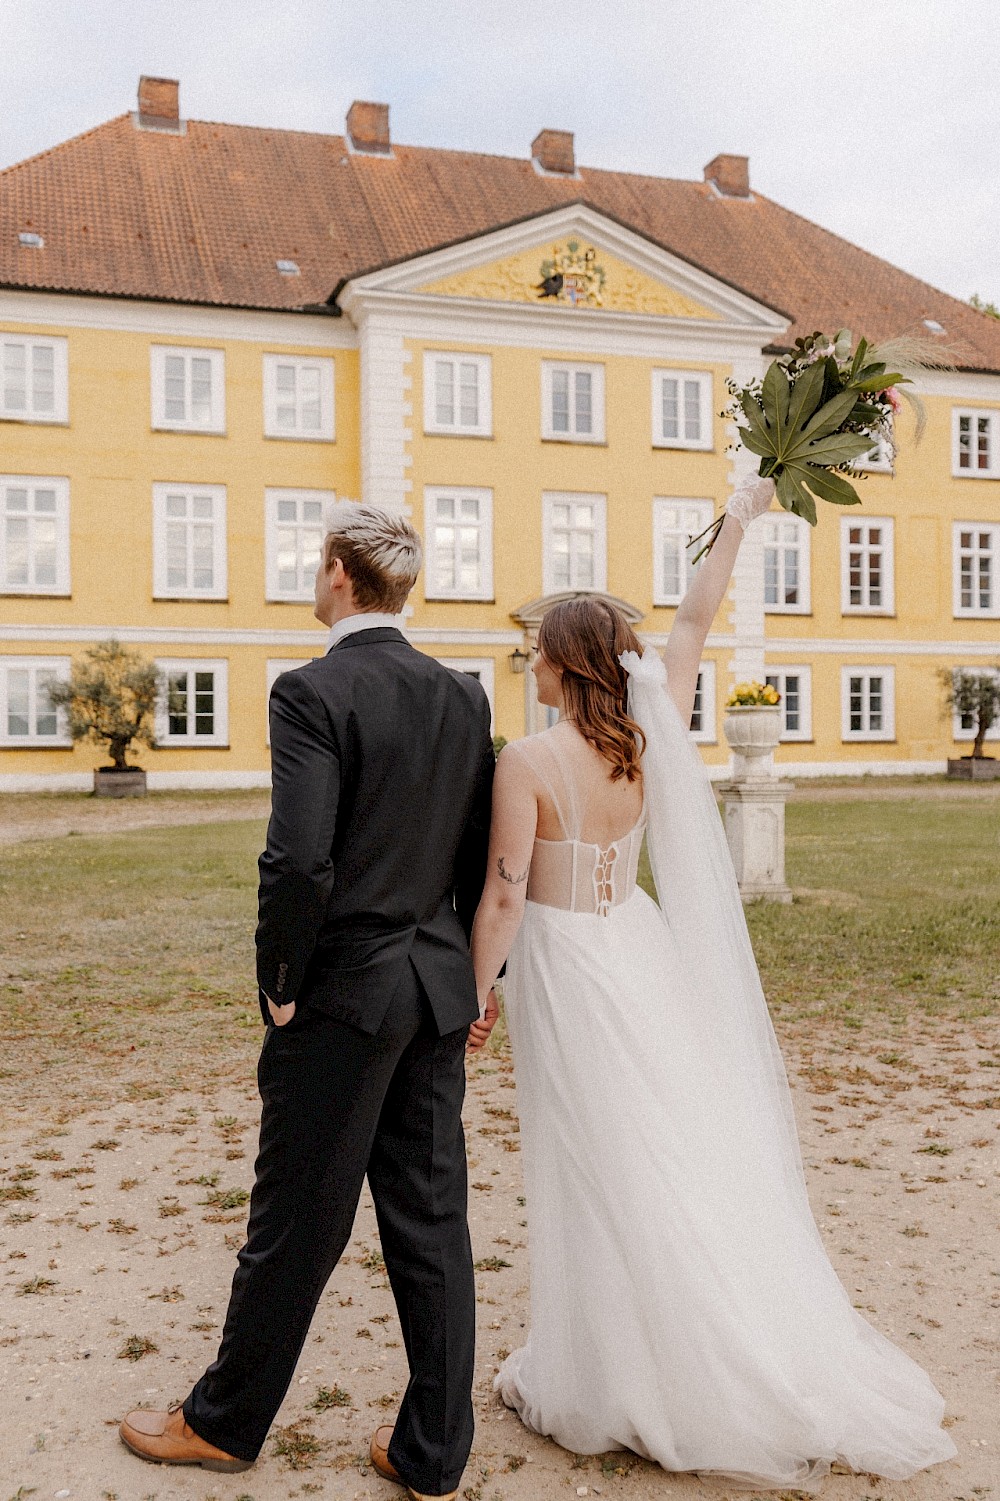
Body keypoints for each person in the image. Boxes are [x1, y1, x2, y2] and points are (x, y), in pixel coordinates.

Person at [467, 475, 958, 1488]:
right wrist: (739, 518)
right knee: (660, 1145)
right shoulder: (652, 727)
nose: (532, 662)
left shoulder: (527, 760)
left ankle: (621, 1374)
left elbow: (506, 896)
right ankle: (660, 1342)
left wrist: (476, 993)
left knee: (594, 1161)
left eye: (540, 651)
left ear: (563, 663)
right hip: (635, 948)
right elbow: (693, 619)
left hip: (570, 969)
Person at [120, 502, 496, 1501]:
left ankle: (220, 1424)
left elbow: (298, 860)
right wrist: (468, 975)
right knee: (431, 1220)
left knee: (295, 1218)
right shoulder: (463, 696)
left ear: (336, 571)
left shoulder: (311, 690)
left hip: (342, 996)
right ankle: (434, 1453)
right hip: (433, 987)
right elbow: (473, 852)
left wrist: (280, 983)